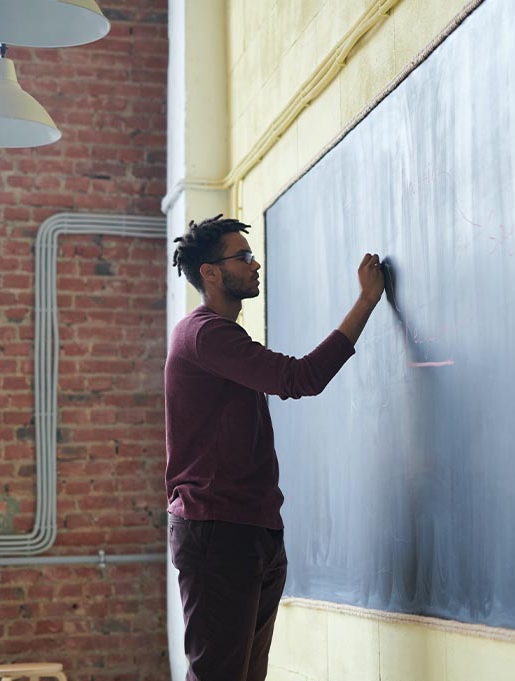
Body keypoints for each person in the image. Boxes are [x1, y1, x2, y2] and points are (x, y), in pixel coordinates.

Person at [164, 214, 384, 681]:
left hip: (250, 529)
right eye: (242, 257)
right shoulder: (204, 334)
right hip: (217, 530)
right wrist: (366, 300)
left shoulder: (222, 338)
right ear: (210, 272)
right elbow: (299, 378)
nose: (255, 263)